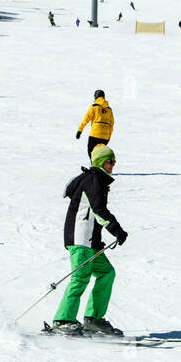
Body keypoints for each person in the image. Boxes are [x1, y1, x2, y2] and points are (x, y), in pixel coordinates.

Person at [48, 144, 128, 336]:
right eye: (110, 161)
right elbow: (98, 210)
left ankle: (93, 319)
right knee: (81, 276)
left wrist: (99, 239)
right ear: (101, 162)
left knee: (106, 272)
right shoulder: (93, 180)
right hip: (80, 238)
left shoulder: (97, 181)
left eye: (114, 161)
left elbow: (94, 216)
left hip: (90, 241)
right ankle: (62, 320)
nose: (113, 165)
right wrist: (116, 230)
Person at [76, 90, 114, 157]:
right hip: (105, 136)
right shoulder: (109, 110)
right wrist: (108, 137)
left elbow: (86, 119)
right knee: (100, 153)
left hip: (95, 134)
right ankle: (99, 166)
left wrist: (79, 130)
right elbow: (111, 124)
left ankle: (94, 166)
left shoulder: (94, 107)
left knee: (91, 150)